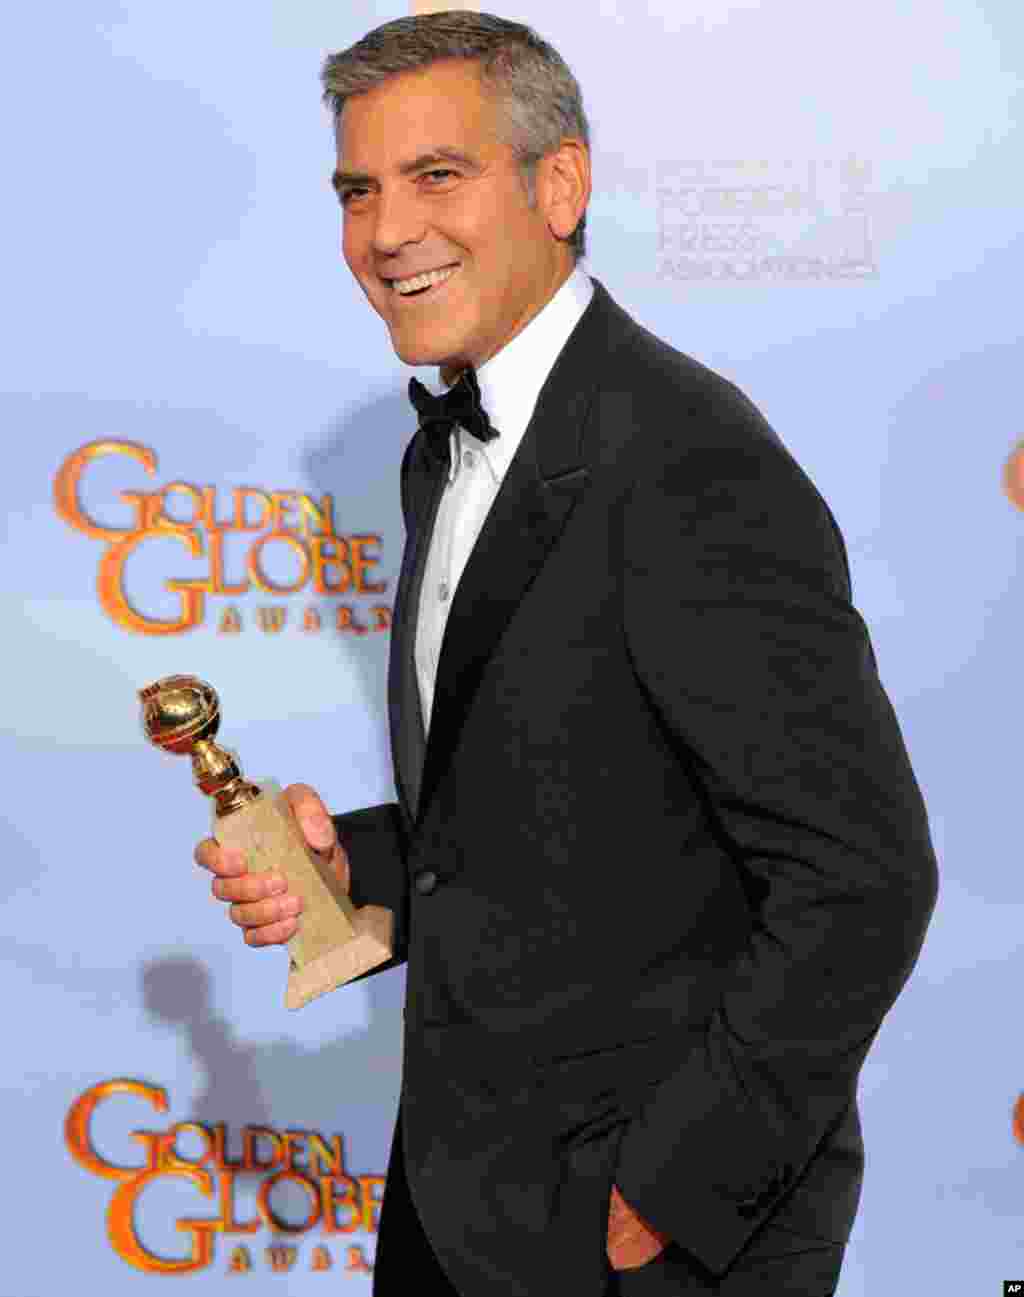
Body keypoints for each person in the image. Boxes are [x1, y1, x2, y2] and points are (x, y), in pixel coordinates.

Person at [194, 12, 939, 1296]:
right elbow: (577, 810)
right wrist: (358, 866)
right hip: (459, 1196)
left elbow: (862, 881)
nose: (384, 233)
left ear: (560, 186)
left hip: (643, 1238)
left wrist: (668, 1189)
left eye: (437, 177)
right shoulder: (447, 445)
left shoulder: (689, 461)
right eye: (358, 190)